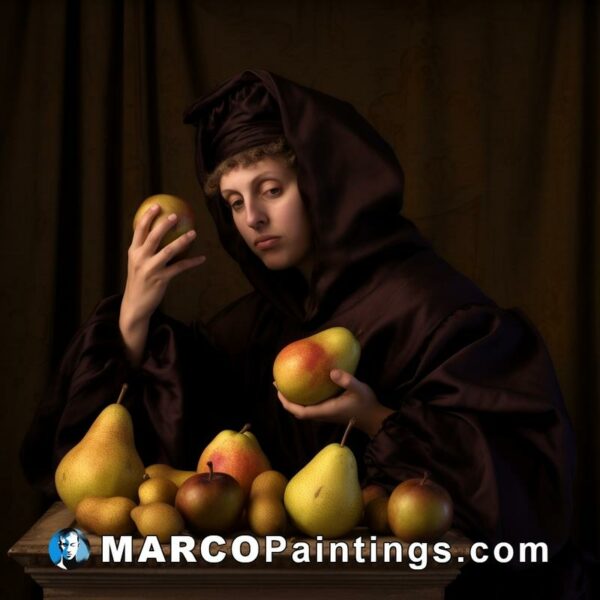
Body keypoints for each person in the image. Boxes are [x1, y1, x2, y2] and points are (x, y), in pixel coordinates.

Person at [22, 70, 586, 597]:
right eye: (236, 202)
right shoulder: (268, 316)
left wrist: (374, 418)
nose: (253, 221)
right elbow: (136, 457)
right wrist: (133, 318)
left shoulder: (428, 304)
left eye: (271, 189)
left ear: (326, 185)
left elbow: (524, 495)